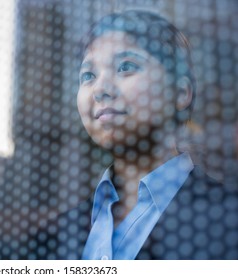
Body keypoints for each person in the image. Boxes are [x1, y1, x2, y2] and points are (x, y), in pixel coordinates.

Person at [74, 10, 238, 260]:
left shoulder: (226, 219)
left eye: (126, 66)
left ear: (180, 93)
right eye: (88, 75)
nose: (100, 89)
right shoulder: (63, 230)